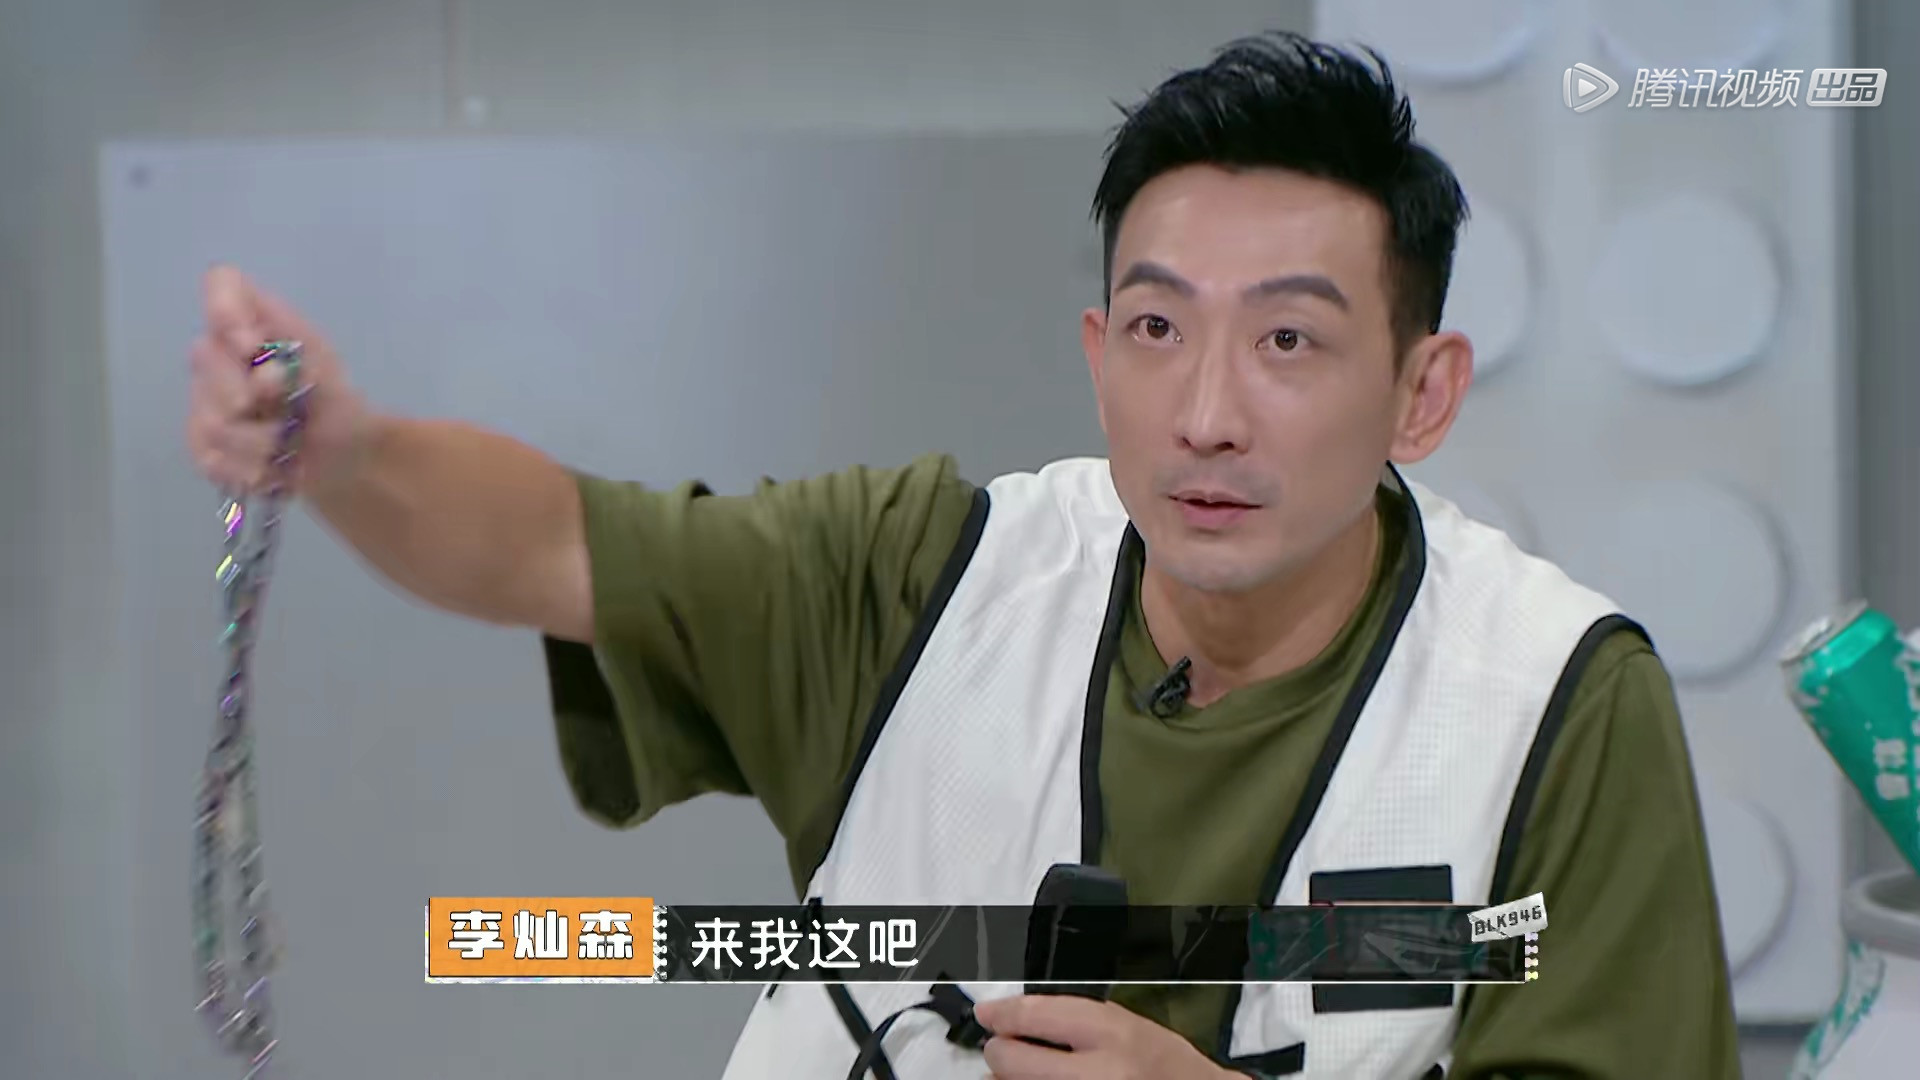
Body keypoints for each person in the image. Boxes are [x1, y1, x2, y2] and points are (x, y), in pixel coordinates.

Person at [185, 30, 1741, 1080]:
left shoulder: (1552, 701)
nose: (1207, 415)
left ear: (1423, 393)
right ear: (1098, 354)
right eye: (1159, 329)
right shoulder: (927, 580)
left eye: (1288, 341)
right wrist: (348, 452)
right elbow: (547, 544)